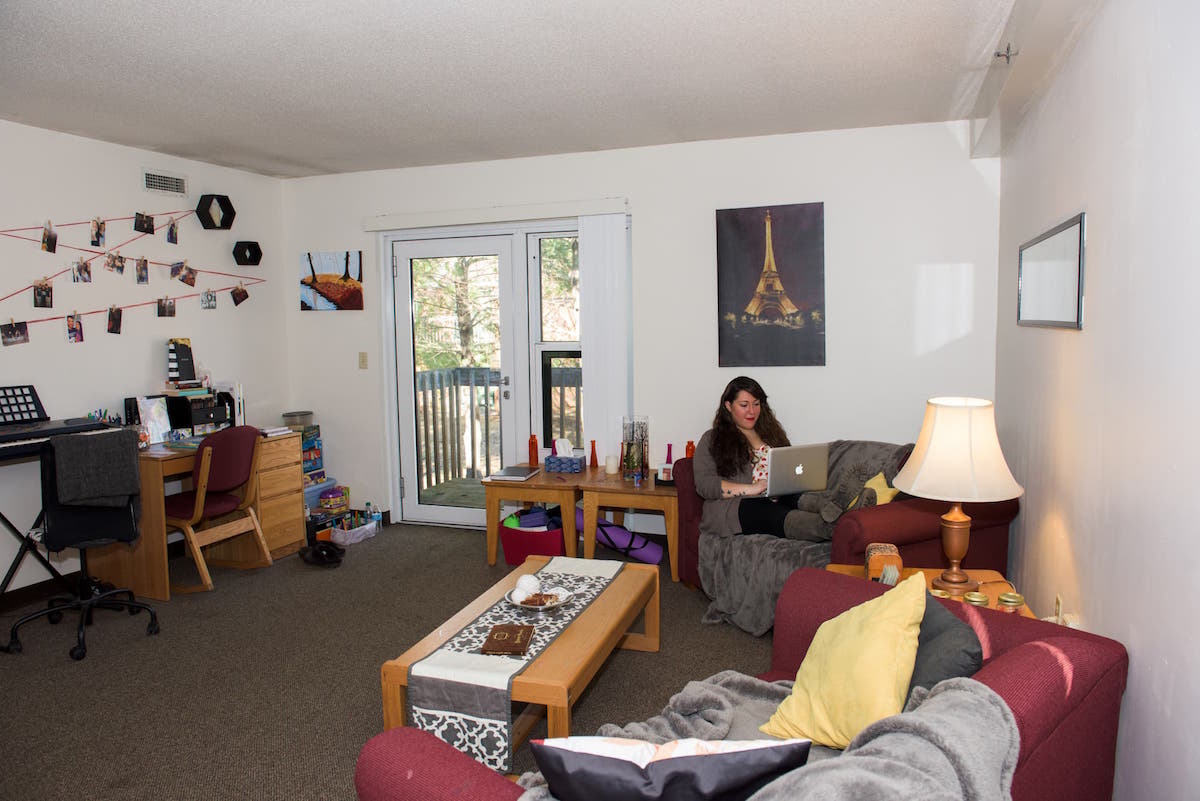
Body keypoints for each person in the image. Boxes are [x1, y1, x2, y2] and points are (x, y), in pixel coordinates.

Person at [692, 375, 807, 540]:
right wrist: (752, 489)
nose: (752, 411)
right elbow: (705, 485)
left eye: (756, 404)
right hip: (742, 505)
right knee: (768, 510)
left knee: (802, 498)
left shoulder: (773, 435)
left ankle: (827, 514)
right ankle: (819, 527)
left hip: (779, 498)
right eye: (744, 405)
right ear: (728, 406)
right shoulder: (712, 439)